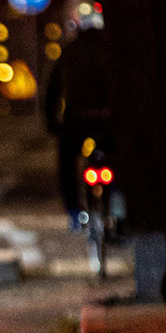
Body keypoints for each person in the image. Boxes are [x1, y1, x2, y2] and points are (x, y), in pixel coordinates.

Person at [44, 16, 113, 230]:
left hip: (78, 119)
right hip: (107, 119)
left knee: (67, 162)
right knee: (117, 158)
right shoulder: (112, 50)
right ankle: (118, 207)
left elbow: (53, 89)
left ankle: (74, 211)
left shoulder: (70, 50)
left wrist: (52, 121)